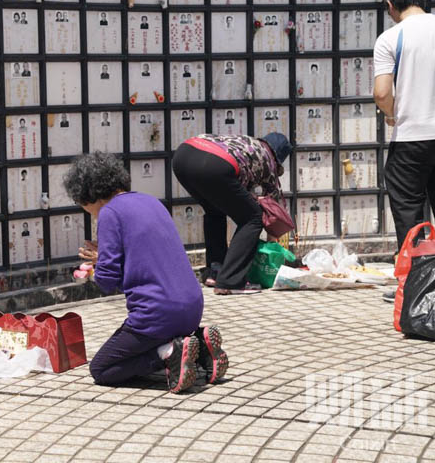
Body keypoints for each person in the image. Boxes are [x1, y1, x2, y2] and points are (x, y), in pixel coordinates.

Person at [65, 152, 227, 389]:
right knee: (139, 344)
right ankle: (199, 345)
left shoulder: (110, 213)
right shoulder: (152, 202)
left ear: (88, 193)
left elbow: (108, 282)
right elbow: (147, 255)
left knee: (102, 368)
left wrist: (97, 265)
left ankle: (168, 353)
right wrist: (109, 254)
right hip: (192, 308)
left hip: (158, 315)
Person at [374, 0, 435, 302]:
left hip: (411, 139)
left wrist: (390, 113)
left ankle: (416, 289)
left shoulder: (391, 38)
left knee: (410, 216)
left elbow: (382, 92)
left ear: (391, 5)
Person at [172, 132, 292, 295]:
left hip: (183, 156)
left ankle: (216, 271)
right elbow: (272, 214)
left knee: (215, 210)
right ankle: (231, 281)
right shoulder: (268, 160)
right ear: (279, 158)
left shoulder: (247, 143)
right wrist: (273, 249)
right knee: (254, 218)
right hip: (215, 164)